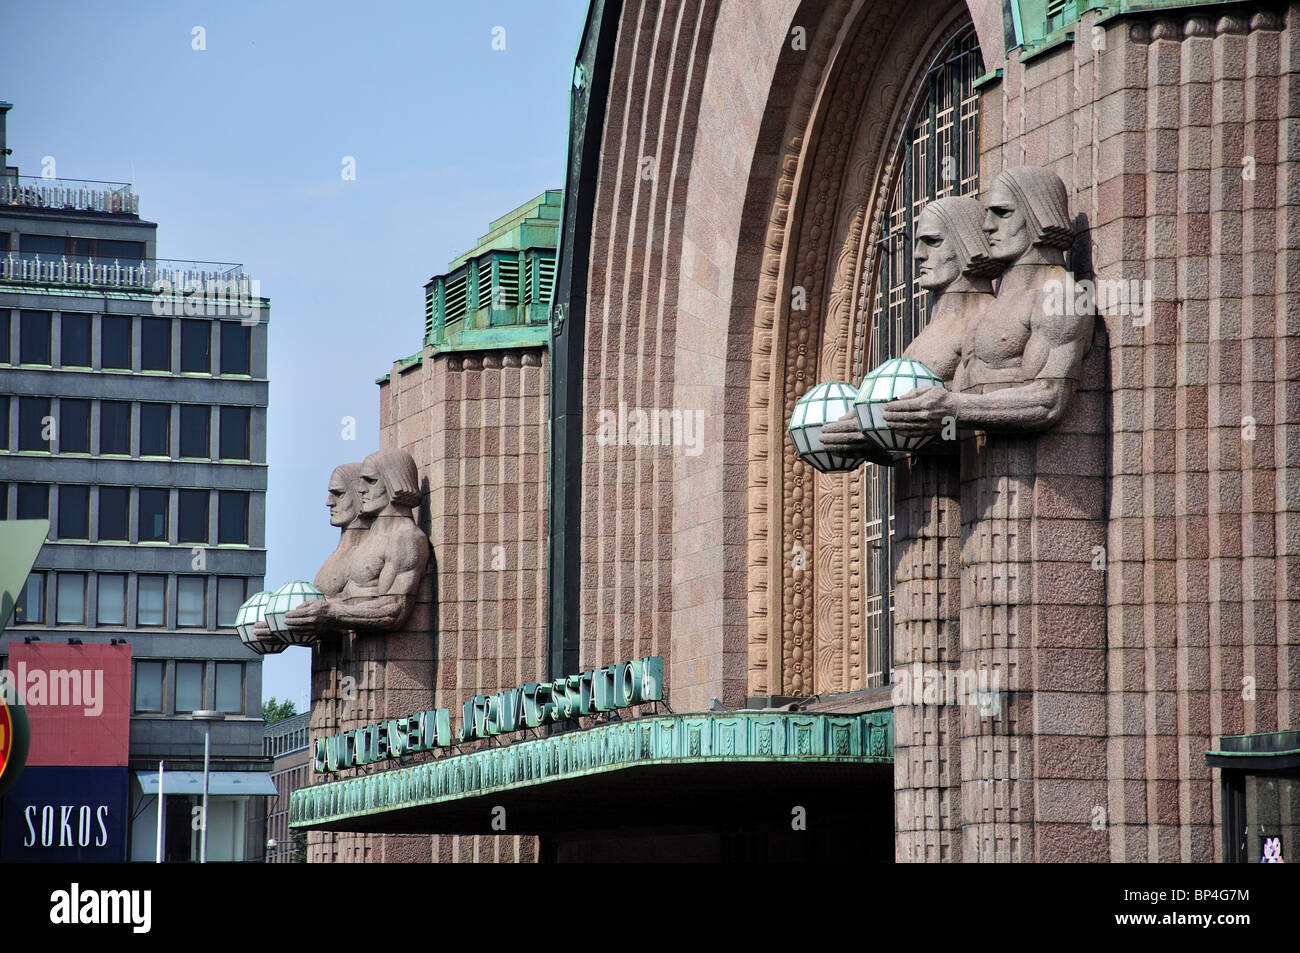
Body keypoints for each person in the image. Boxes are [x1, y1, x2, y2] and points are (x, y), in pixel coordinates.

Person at [820, 195, 1001, 462]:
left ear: (967, 241)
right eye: (917, 243)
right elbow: (914, 439)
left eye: (932, 242)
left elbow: (976, 432)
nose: (918, 254)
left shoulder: (988, 319)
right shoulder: (926, 334)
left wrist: (948, 412)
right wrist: (868, 438)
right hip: (918, 493)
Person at [285, 449, 429, 635]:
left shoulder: (405, 539)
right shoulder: (369, 541)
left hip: (386, 658)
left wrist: (333, 613)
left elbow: (395, 609)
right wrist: (285, 622)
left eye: (371, 481)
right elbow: (346, 601)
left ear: (395, 482)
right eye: (361, 481)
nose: (361, 489)